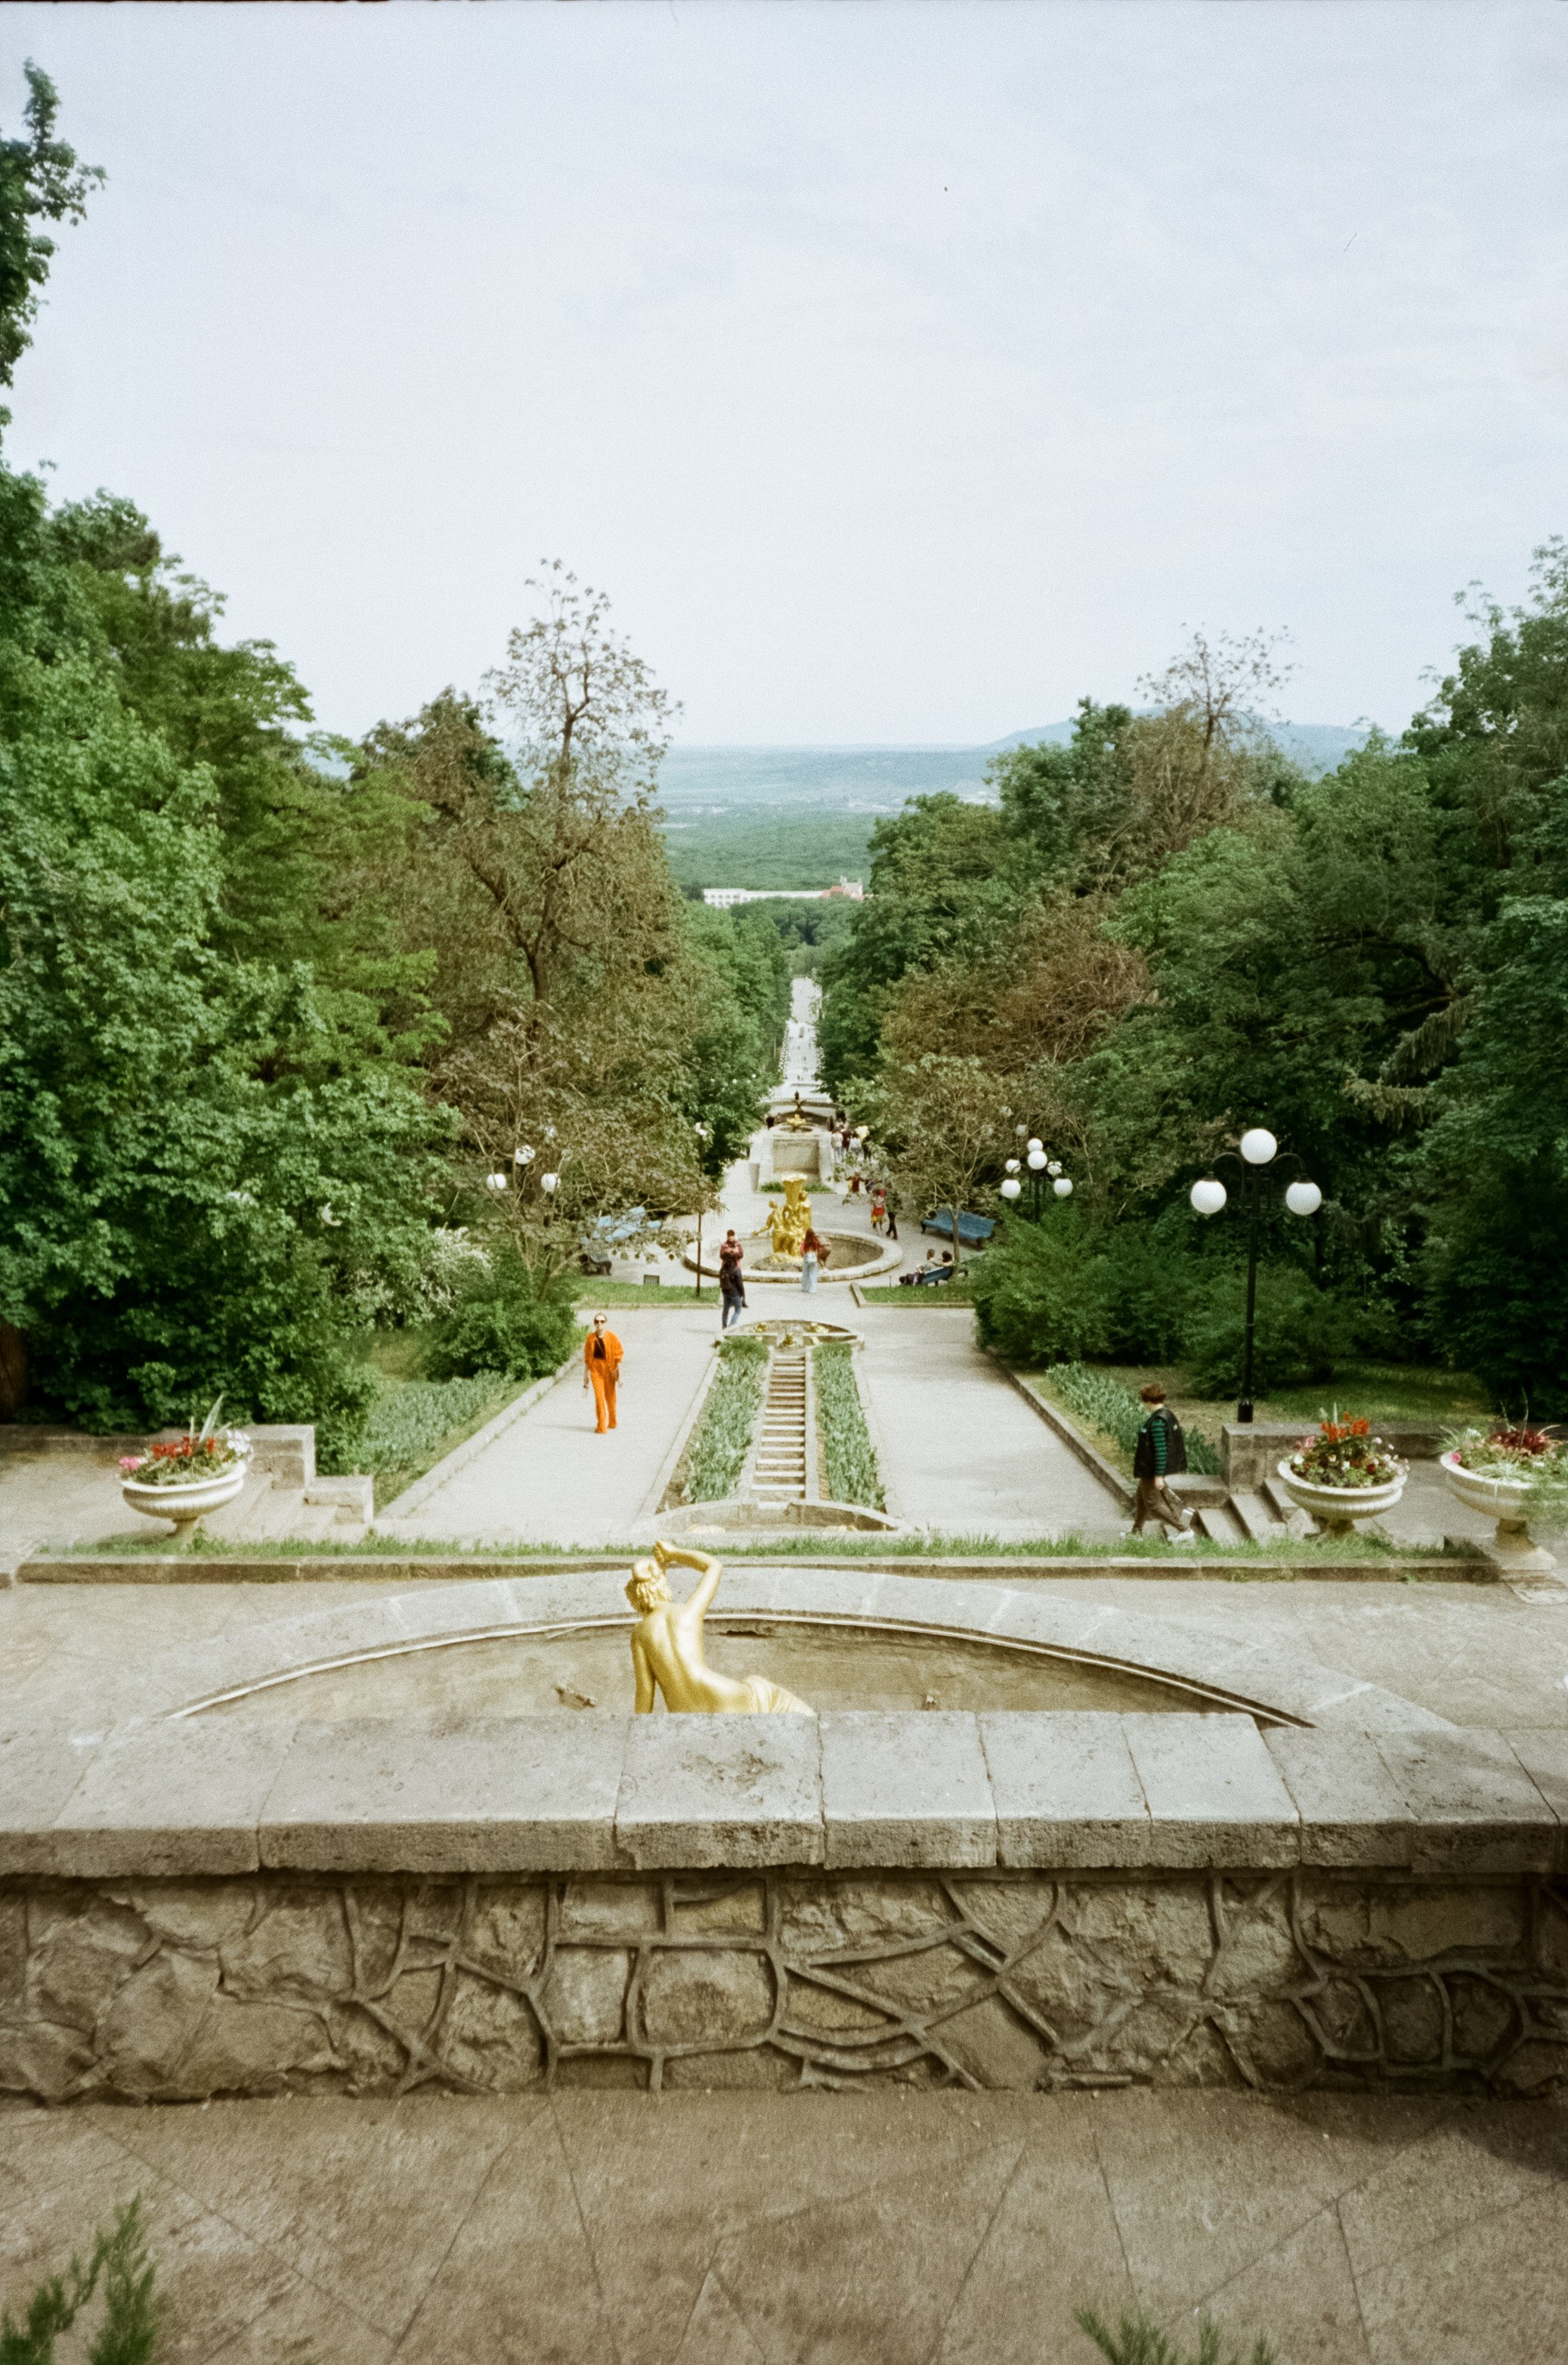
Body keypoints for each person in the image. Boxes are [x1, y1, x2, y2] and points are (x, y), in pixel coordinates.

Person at [626, 1541, 813, 1714]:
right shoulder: (687, 1613)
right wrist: (674, 1553)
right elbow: (714, 1566)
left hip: (684, 1712)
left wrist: (636, 1734)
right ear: (662, 1586)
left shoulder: (639, 1634)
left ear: (636, 1600)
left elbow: (645, 1691)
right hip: (724, 1696)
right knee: (781, 1702)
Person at [1130, 1382, 1197, 1540]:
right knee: (1141, 1498)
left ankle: (1184, 1530)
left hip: (1151, 1470)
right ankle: (1136, 1532)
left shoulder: (1157, 1422)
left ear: (1147, 1401)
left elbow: (1160, 1451)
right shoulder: (1167, 1415)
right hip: (1150, 1469)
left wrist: (1159, 1476)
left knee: (1153, 1504)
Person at [582, 1312, 623, 1433]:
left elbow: (618, 1357)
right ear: (594, 1323)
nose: (599, 1324)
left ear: (606, 1323)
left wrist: (620, 1376)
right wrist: (585, 1377)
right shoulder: (590, 1338)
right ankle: (601, 1426)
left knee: (611, 1398)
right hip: (596, 1371)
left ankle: (612, 1421)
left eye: (602, 1321)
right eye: (597, 1321)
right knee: (599, 1398)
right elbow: (587, 1359)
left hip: (609, 1370)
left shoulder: (612, 1337)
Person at [718, 1229, 746, 1331]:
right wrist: (728, 1252)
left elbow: (741, 1255)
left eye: (732, 1236)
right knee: (736, 1308)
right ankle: (728, 1328)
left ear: (734, 1236)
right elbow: (722, 1256)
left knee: (726, 1307)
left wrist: (735, 1253)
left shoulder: (738, 1245)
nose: (731, 1238)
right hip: (729, 1269)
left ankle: (725, 1327)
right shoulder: (724, 1246)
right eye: (729, 1236)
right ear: (727, 1236)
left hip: (732, 1269)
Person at [800, 1226, 827, 1292]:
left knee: (805, 1273)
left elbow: (802, 1250)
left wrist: (805, 1255)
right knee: (813, 1274)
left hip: (807, 1257)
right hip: (813, 1258)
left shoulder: (805, 1242)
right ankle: (812, 1289)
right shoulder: (815, 1242)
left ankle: (805, 1288)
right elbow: (818, 1251)